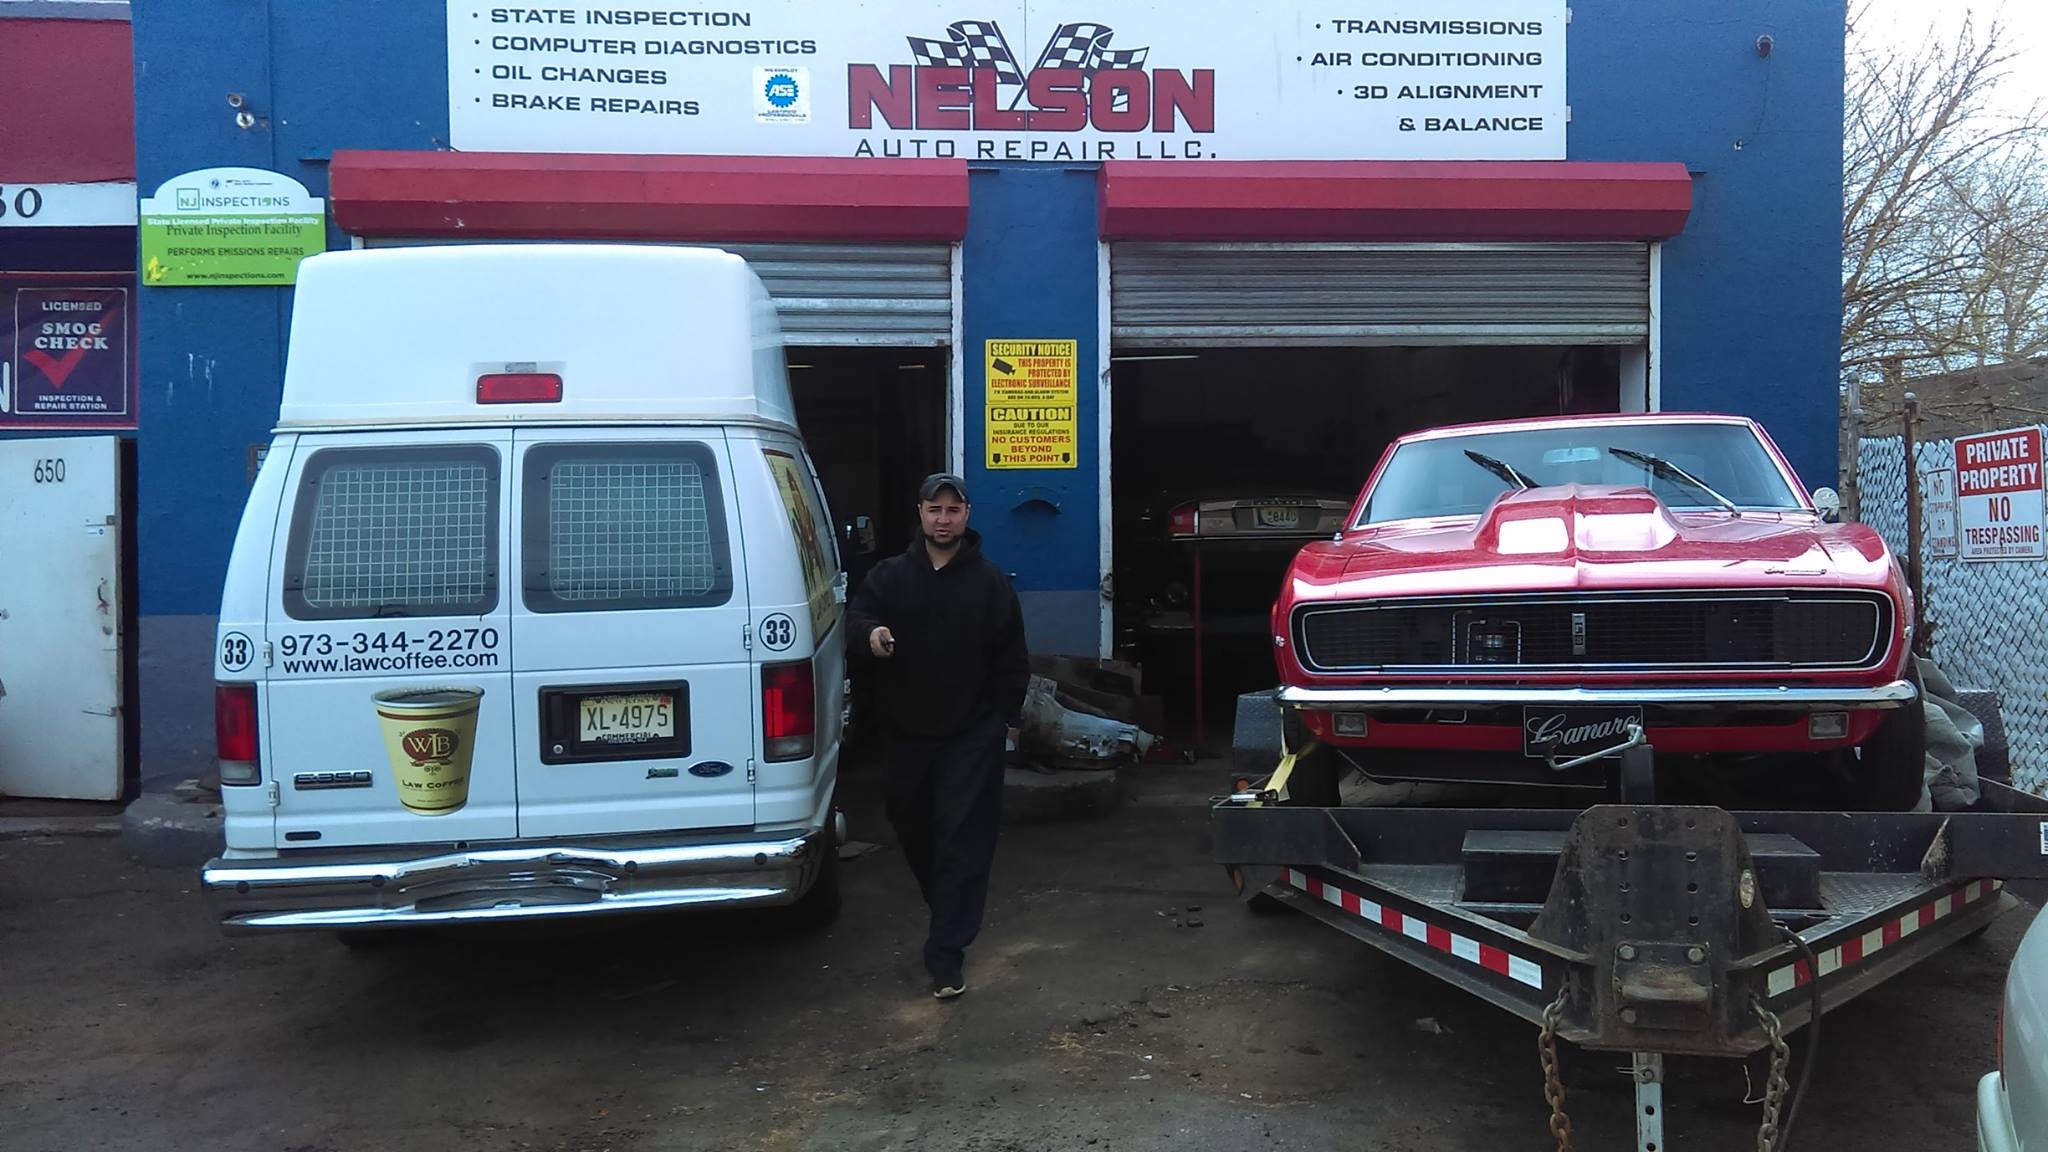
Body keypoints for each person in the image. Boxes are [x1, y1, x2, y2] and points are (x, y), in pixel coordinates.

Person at [846, 472, 1030, 1000]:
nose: (943, 520)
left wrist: (1001, 722)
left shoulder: (990, 583)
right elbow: (856, 618)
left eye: (953, 510)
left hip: (970, 734)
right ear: (921, 514)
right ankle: (948, 909)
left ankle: (946, 953)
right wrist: (871, 634)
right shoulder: (889, 577)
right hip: (905, 733)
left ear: (967, 515)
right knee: (915, 828)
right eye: (935, 510)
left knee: (963, 838)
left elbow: (1011, 658)